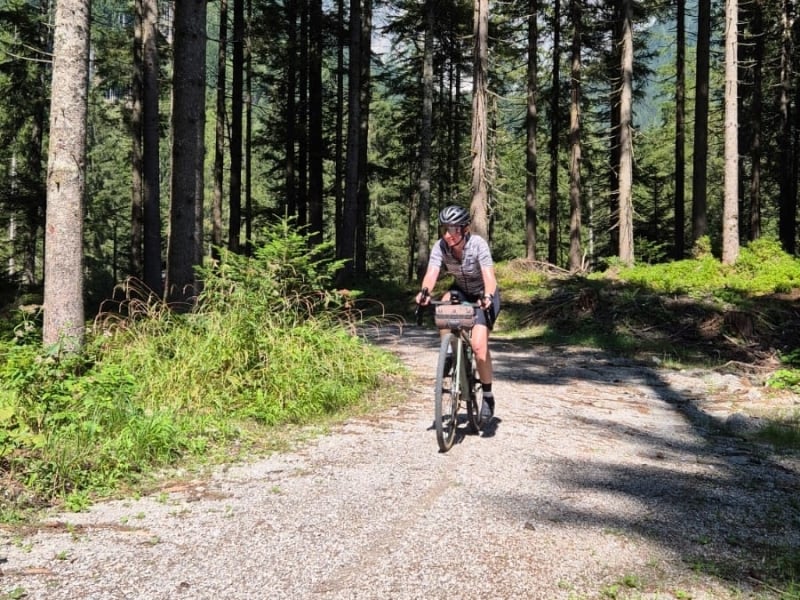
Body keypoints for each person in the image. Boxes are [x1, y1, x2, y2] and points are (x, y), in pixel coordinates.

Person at [415, 205, 501, 422]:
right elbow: (432, 272)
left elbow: (490, 278)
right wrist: (425, 292)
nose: (448, 234)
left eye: (453, 229)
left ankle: (488, 395)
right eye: (445, 228)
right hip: (461, 289)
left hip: (483, 294)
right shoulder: (441, 246)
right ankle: (451, 353)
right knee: (443, 305)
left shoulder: (478, 245)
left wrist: (488, 297)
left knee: (480, 347)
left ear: (465, 229)